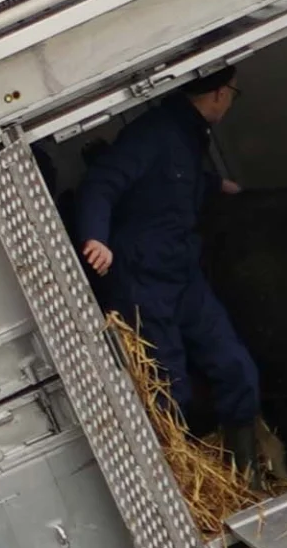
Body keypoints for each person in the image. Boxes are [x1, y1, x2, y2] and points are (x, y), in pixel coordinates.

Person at [72, 66, 272, 463]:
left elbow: (174, 180)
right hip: (142, 278)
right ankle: (183, 476)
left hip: (182, 271)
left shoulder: (188, 133)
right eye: (233, 93)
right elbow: (102, 183)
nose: (231, 102)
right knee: (168, 387)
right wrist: (96, 236)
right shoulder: (153, 133)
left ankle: (246, 475)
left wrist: (216, 186)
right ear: (217, 94)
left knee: (235, 368)